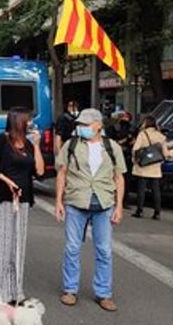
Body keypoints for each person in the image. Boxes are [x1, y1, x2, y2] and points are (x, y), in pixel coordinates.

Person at [55, 108, 126, 313]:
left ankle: (103, 293)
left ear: (98, 125)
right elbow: (62, 173)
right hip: (76, 201)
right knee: (72, 248)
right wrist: (59, 202)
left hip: (104, 203)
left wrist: (119, 206)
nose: (82, 128)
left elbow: (119, 177)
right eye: (80, 125)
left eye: (86, 125)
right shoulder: (72, 145)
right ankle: (70, 290)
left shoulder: (112, 147)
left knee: (104, 250)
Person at [0, 107, 46, 305]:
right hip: (5, 198)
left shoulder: (27, 144)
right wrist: (6, 180)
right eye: (28, 120)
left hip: (24, 199)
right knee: (3, 244)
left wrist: (36, 146)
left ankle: (15, 290)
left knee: (19, 245)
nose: (31, 123)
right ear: (18, 121)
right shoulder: (3, 140)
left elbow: (40, 172)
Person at [131, 115, 170, 220]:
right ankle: (157, 212)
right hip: (155, 166)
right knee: (156, 190)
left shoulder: (142, 134)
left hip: (143, 166)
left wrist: (134, 160)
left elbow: (135, 149)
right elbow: (165, 153)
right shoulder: (161, 136)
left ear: (146, 123)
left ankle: (139, 210)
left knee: (141, 189)